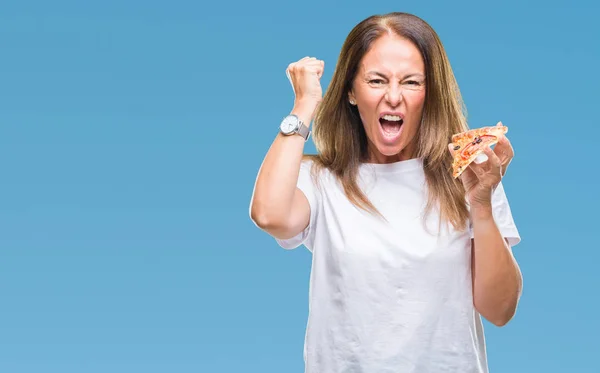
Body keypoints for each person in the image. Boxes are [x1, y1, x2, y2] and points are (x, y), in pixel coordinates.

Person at [249, 11, 522, 373]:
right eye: (377, 80)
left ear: (429, 93)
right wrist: (304, 106)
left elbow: (499, 309)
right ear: (350, 90)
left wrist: (482, 204)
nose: (393, 97)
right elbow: (269, 215)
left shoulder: (470, 175)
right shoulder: (320, 180)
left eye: (411, 82)